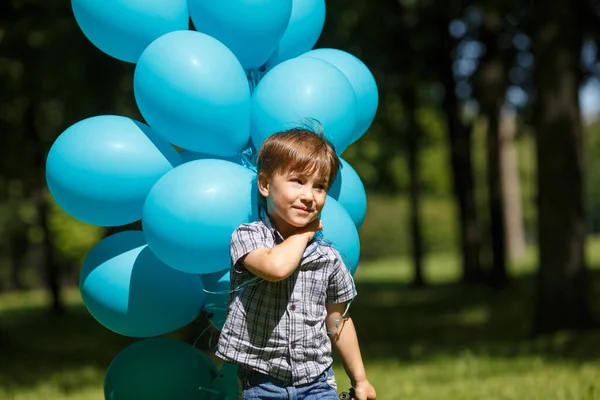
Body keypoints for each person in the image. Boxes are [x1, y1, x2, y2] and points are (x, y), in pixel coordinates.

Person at [216, 128, 377, 400]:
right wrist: (304, 234)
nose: (309, 195)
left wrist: (360, 380)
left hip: (317, 382)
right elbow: (276, 268)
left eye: (319, 186)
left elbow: (339, 320)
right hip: (262, 384)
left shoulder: (328, 258)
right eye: (297, 181)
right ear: (265, 185)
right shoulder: (249, 237)